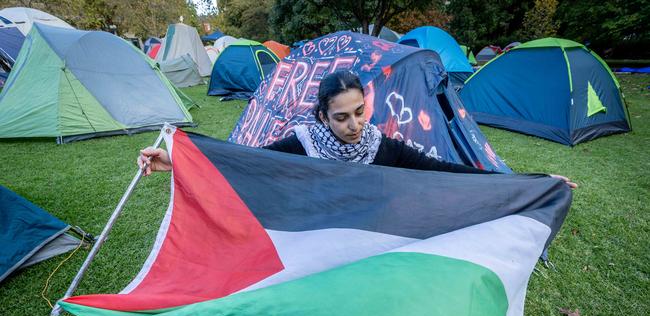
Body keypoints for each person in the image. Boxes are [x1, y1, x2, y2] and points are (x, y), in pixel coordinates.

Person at [138, 70, 576, 188]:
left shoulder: (379, 143)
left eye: (360, 112)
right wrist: (176, 160)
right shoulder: (303, 144)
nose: (354, 125)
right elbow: (244, 163)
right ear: (322, 117)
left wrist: (528, 181)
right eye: (342, 117)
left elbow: (448, 170)